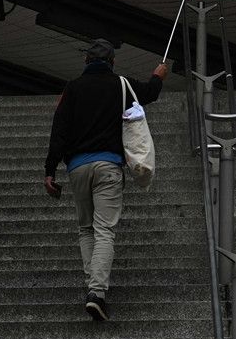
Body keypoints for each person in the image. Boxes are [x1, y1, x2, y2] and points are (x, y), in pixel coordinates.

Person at [44, 38, 168, 321]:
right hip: (109, 167)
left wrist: (50, 169)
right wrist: (158, 76)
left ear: (86, 61)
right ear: (111, 62)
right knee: (104, 231)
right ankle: (96, 293)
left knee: (86, 229)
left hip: (77, 168)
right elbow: (149, 93)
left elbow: (59, 130)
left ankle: (93, 288)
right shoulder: (120, 85)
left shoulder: (72, 87)